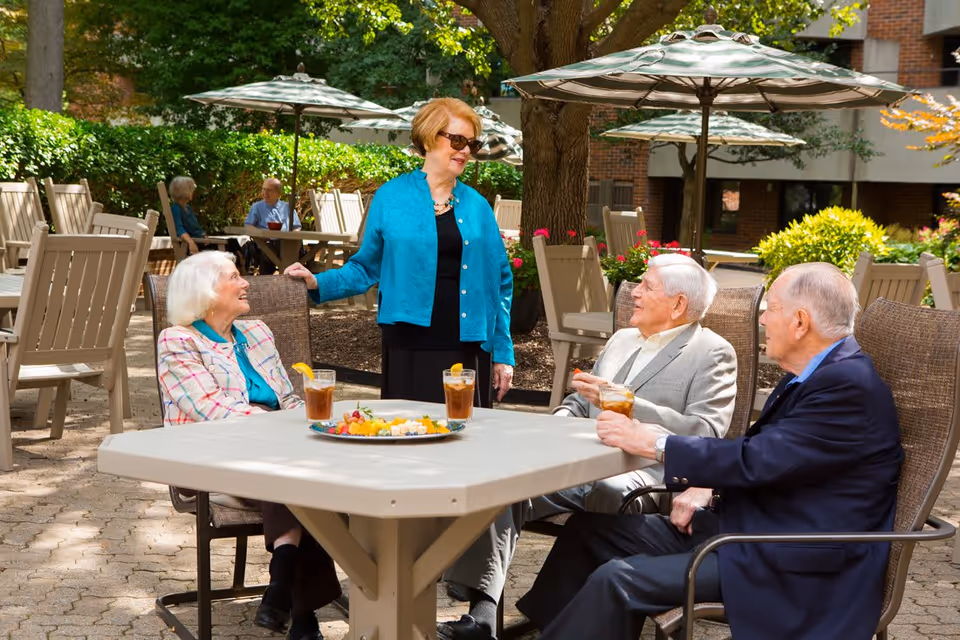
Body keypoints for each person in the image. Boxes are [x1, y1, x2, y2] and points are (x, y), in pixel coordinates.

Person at [516, 262, 904, 640]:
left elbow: (757, 459)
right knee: (589, 532)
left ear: (801, 322)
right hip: (746, 529)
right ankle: (558, 627)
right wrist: (708, 486)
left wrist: (654, 443)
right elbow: (777, 457)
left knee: (618, 578)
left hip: (787, 560)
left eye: (770, 310)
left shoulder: (847, 387)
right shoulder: (820, 376)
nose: (764, 320)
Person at [439, 253, 737, 640]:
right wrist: (557, 425)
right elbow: (583, 400)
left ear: (679, 304)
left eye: (647, 285)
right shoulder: (622, 339)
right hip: (576, 460)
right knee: (505, 485)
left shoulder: (712, 353)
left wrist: (625, 401)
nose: (634, 292)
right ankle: (481, 615)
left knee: (608, 491)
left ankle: (584, 620)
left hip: (644, 472)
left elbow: (706, 433)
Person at [284, 97, 514, 407]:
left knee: (467, 445)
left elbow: (500, 281)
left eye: (471, 143)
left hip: (470, 346)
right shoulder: (390, 197)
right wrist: (318, 282)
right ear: (430, 137)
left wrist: (503, 353)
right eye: (458, 140)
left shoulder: (478, 206)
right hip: (409, 344)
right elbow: (365, 268)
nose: (466, 151)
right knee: (407, 437)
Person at [157, 252, 339, 640]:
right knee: (292, 469)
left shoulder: (256, 332)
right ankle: (297, 603)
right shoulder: (177, 341)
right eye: (235, 277)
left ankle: (284, 581)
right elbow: (210, 410)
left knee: (293, 466)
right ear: (206, 293)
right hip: (212, 457)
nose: (246, 284)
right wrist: (281, 429)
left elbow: (287, 398)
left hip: (278, 454)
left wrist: (310, 422)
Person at [168, 175, 244, 266]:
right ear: (185, 191)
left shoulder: (187, 208)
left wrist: (204, 235)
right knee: (231, 244)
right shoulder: (176, 209)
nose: (193, 191)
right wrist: (191, 242)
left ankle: (243, 266)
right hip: (195, 244)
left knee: (233, 241)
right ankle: (240, 269)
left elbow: (197, 227)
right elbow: (179, 229)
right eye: (191, 189)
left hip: (201, 241)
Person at [245, 178, 302, 274]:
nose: (265, 193)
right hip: (265, 244)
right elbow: (248, 226)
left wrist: (291, 238)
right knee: (266, 250)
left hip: (287, 244)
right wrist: (262, 234)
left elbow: (297, 227)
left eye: (269, 190)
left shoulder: (287, 207)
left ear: (278, 193)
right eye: (263, 189)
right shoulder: (257, 207)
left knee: (292, 247)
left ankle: (290, 279)